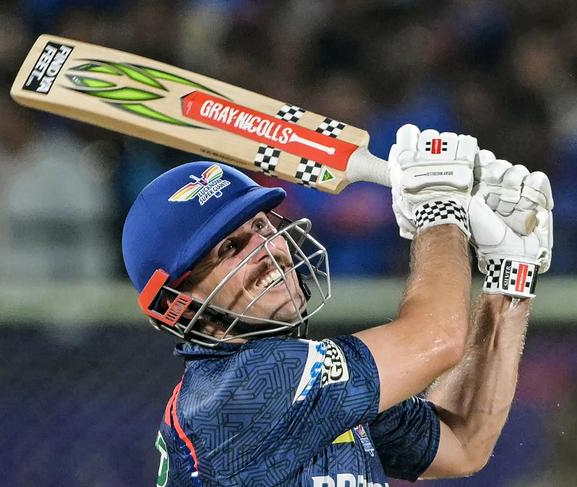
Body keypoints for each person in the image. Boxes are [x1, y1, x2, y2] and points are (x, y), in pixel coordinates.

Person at [122, 125, 553, 487]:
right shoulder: (244, 390)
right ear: (176, 304)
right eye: (231, 248)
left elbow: (463, 442)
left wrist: (509, 275)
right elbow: (436, 337)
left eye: (260, 227)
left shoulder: (300, 384)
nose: (268, 249)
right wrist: (438, 206)